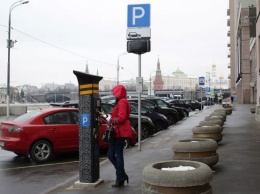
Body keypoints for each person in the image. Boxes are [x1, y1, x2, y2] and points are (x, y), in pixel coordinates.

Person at [107, 85, 132, 187]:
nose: (113, 94)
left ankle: (120, 178)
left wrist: (110, 119)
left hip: (120, 133)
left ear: (119, 93)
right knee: (110, 154)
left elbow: (121, 118)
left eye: (115, 93)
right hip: (118, 132)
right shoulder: (122, 101)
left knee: (118, 155)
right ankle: (122, 174)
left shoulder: (122, 102)